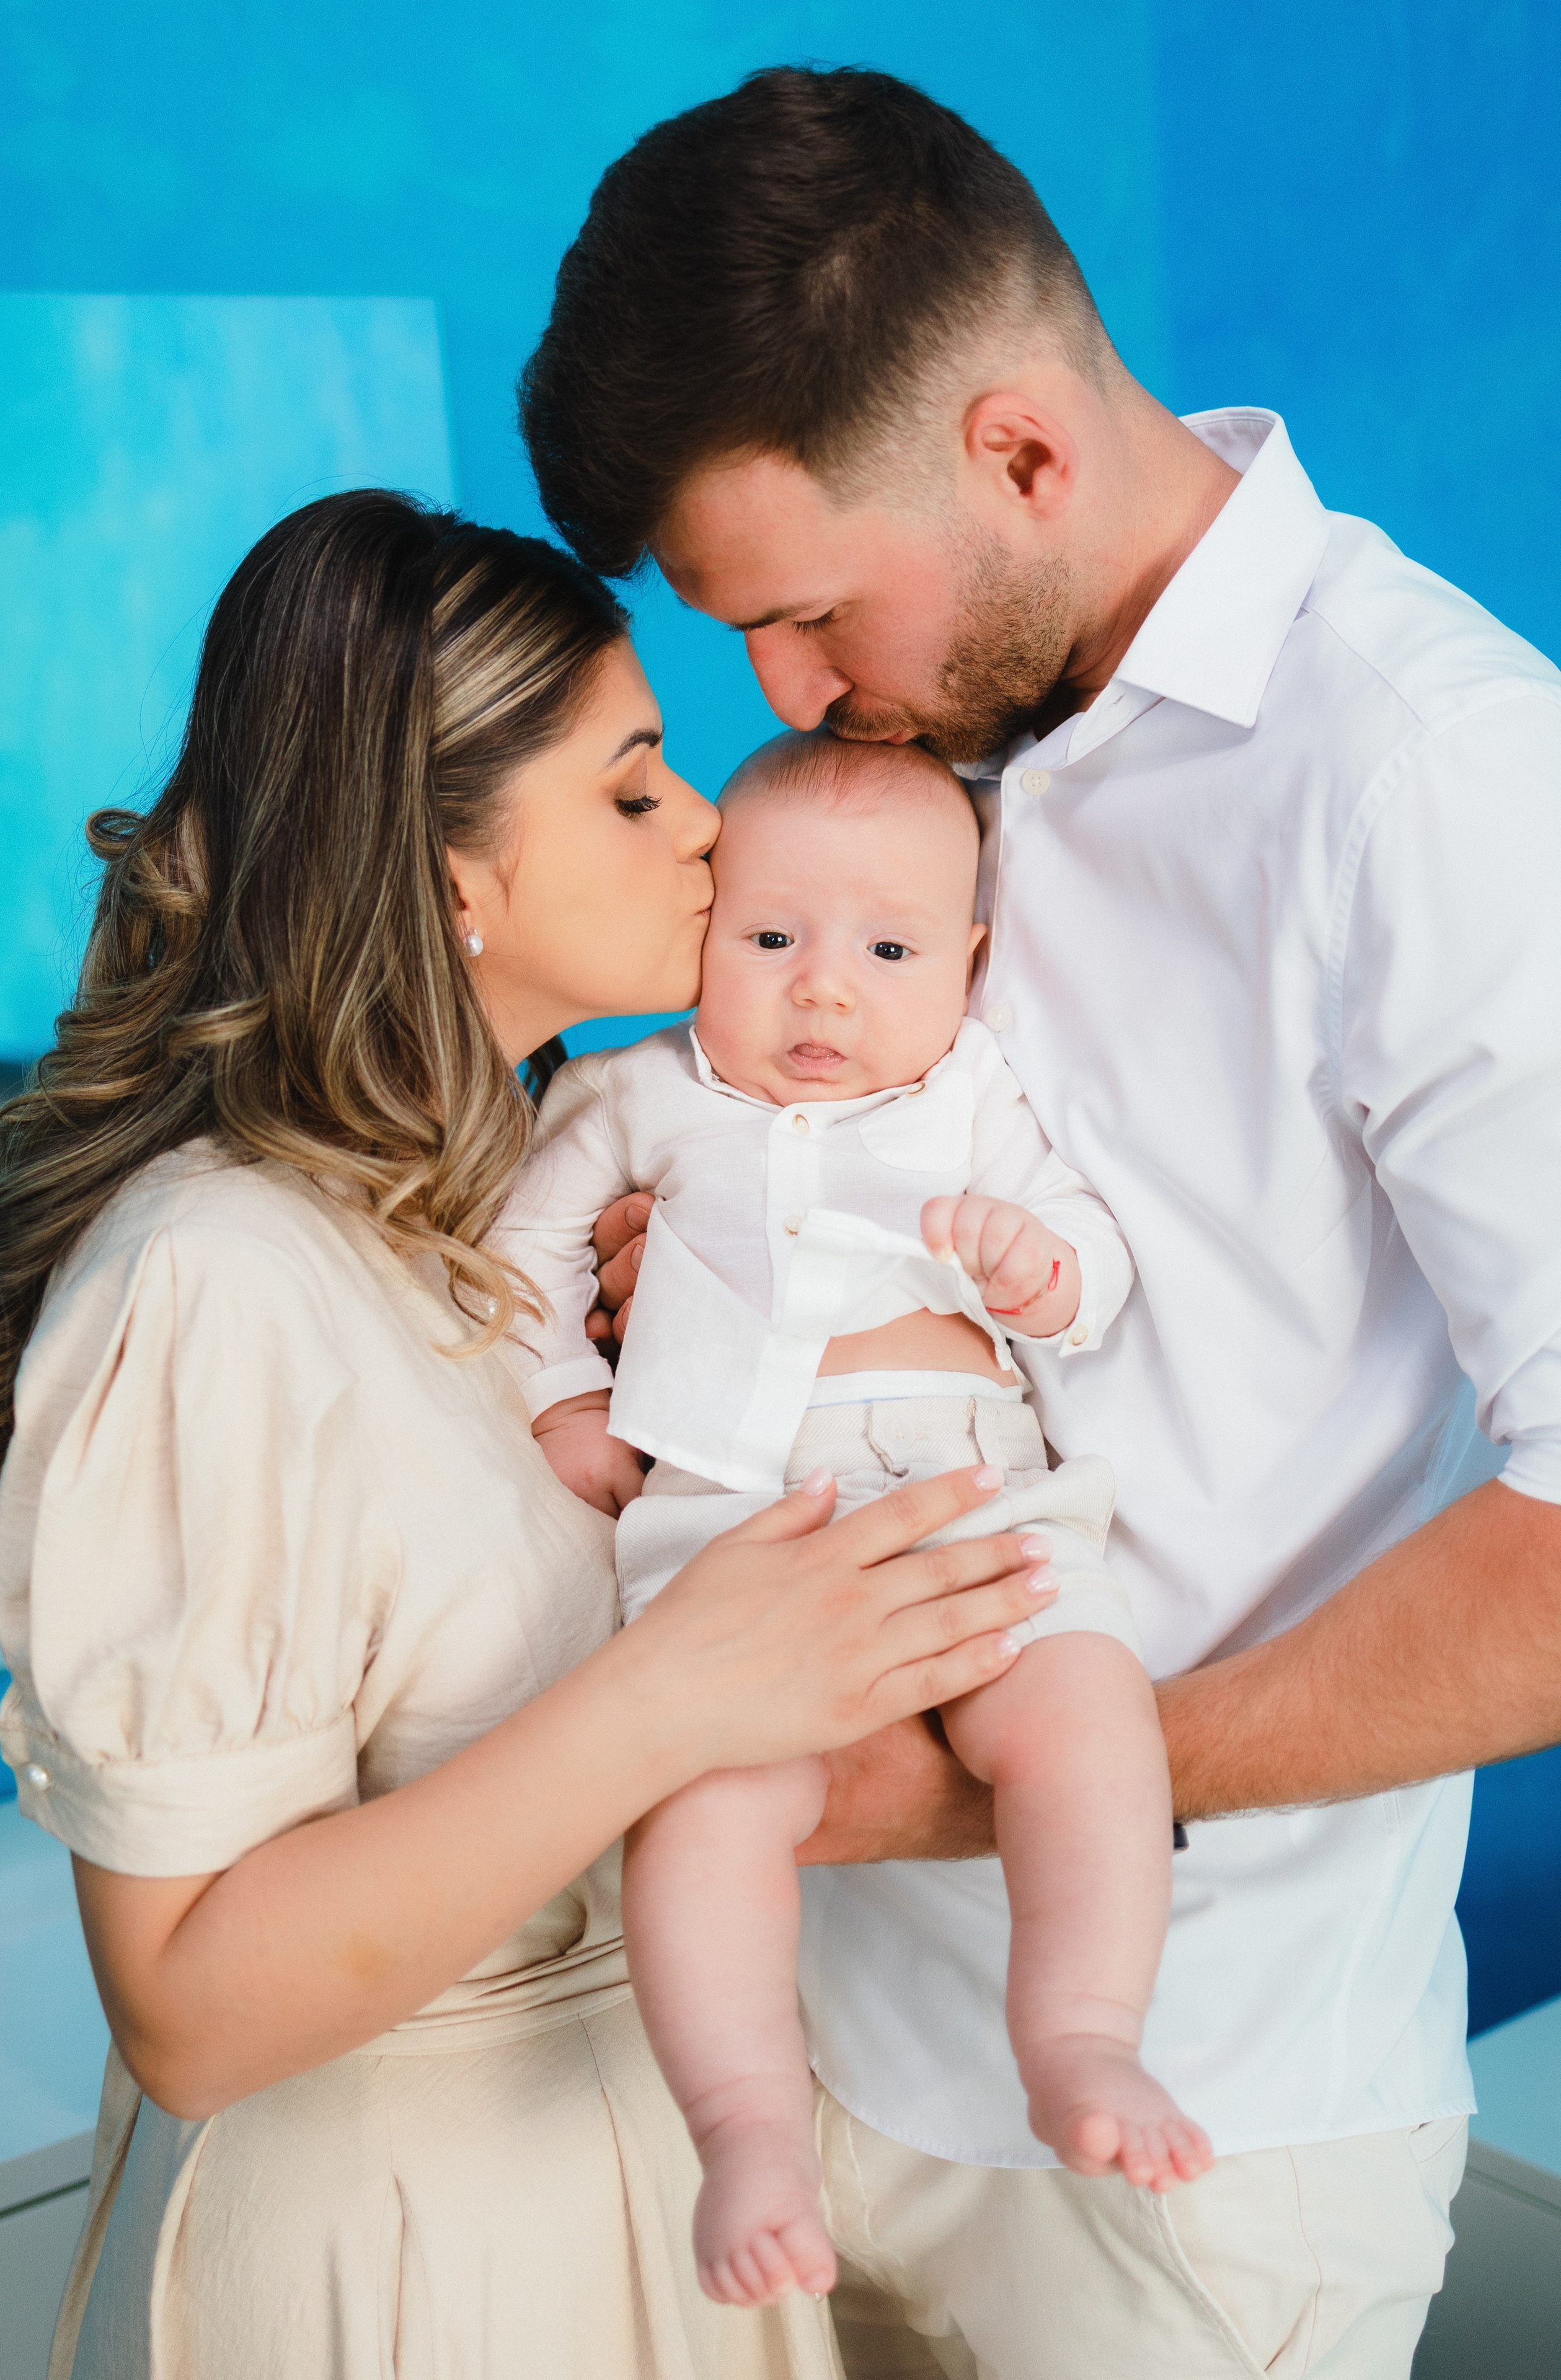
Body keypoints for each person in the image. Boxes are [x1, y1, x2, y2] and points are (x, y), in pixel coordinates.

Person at [520, 63, 1561, 2379]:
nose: (778, 707)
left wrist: (1026, 1768)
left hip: (1188, 2131)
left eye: (799, 618)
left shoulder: (1438, 784)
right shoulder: (951, 729)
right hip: (786, 2073)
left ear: (1017, 453)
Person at [0, 490, 1051, 2380]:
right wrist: (681, 1695)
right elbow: (191, 2012)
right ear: (450, 870)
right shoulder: (215, 1275)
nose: (712, 820)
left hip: (657, 2194)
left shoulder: (516, 1230)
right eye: (635, 788)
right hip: (405, 2267)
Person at [500, 729, 1210, 2307]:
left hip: (965, 1487)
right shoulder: (638, 1095)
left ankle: (1081, 2033)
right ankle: (747, 2126)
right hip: (739, 1517)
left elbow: (1088, 1249)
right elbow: (522, 1252)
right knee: (715, 1801)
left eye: (886, 950)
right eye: (770, 940)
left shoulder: (973, 1097)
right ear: (705, 937)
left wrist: (1038, 1267)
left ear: (964, 963)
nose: (822, 989)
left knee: (1085, 1711)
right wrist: (559, 1393)